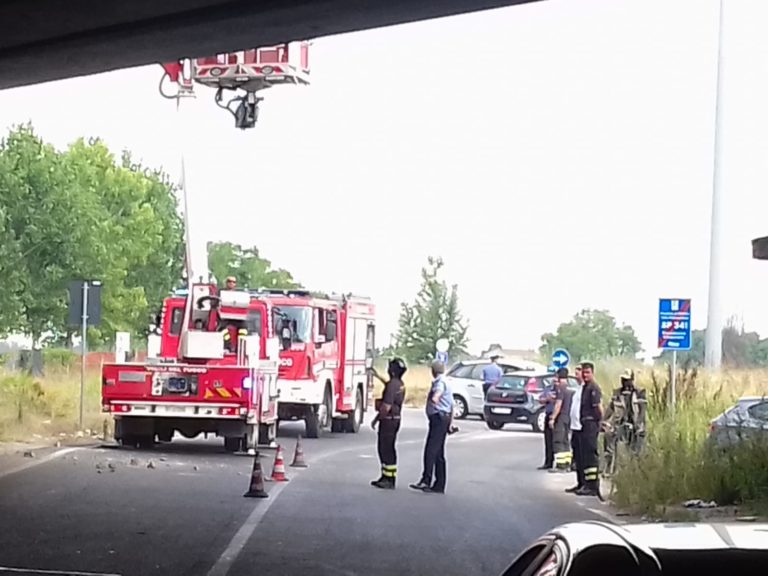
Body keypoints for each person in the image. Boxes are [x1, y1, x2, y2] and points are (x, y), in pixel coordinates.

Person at [410, 361, 453, 494]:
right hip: (444, 418)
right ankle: (439, 484)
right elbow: (452, 405)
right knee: (439, 453)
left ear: (433, 371)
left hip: (438, 419)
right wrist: (450, 423)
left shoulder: (439, 382)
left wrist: (434, 398)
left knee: (431, 450)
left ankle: (426, 480)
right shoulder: (447, 382)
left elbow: (438, 394)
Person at [369, 358, 407, 489]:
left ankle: (388, 479)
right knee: (389, 448)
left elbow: (386, 406)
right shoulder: (399, 384)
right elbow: (389, 386)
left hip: (388, 421)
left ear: (393, 371)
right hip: (395, 420)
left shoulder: (392, 385)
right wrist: (377, 376)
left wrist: (376, 419)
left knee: (385, 449)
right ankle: (387, 476)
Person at [602, 368, 647, 476]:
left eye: (627, 379)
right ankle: (609, 468)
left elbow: (642, 410)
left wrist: (639, 424)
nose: (624, 382)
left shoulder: (639, 392)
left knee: (636, 451)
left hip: (636, 425)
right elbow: (611, 408)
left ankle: (635, 473)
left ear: (632, 379)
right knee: (609, 439)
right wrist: (604, 420)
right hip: (621, 424)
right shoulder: (617, 393)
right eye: (623, 379)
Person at [577, 361, 603, 498]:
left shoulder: (594, 388)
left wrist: (601, 422)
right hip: (584, 424)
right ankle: (587, 484)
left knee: (591, 456)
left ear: (592, 373)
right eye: (583, 372)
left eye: (587, 372)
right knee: (585, 456)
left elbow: (598, 408)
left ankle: (593, 486)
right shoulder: (585, 387)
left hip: (591, 424)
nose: (585, 375)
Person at [566, 365, 585, 493]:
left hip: (582, 428)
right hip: (575, 427)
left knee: (584, 458)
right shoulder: (578, 389)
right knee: (577, 457)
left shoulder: (587, 389)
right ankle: (579, 483)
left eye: (578, 373)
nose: (576, 376)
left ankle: (586, 484)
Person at [549, 367, 573, 473]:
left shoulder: (560, 389)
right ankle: (567, 463)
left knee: (558, 441)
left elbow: (558, 404)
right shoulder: (570, 388)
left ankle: (560, 465)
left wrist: (552, 418)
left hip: (561, 418)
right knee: (565, 441)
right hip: (568, 418)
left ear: (558, 376)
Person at [537, 378, 557, 470]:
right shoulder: (548, 388)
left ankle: (560, 464)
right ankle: (548, 462)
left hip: (558, 416)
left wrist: (554, 399)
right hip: (548, 414)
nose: (555, 380)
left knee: (558, 441)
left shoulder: (562, 389)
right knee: (548, 440)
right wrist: (546, 399)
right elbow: (540, 399)